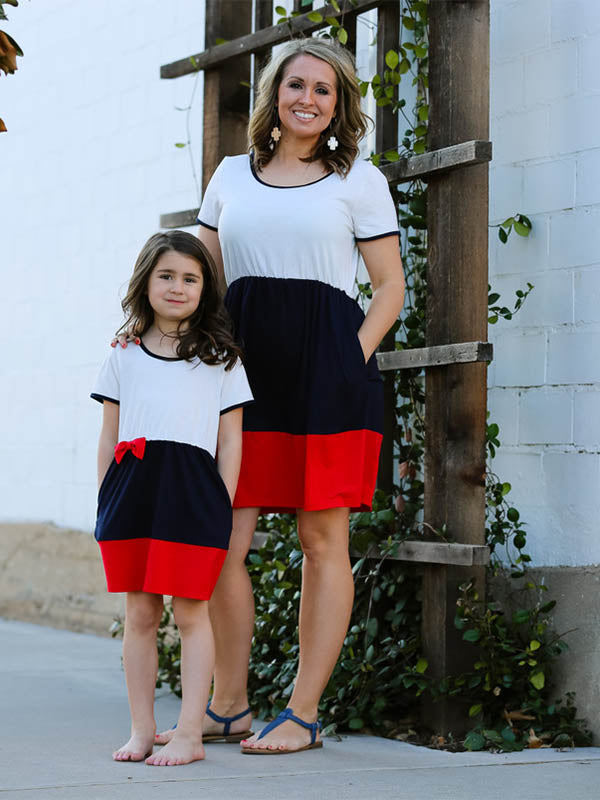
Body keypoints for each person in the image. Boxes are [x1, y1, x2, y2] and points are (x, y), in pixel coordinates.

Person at [152, 37, 405, 755]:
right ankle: (228, 703)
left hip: (327, 376)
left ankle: (301, 712)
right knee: (222, 540)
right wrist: (159, 345)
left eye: (323, 90)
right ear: (275, 93)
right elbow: (203, 279)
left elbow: (390, 287)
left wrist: (346, 359)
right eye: (296, 84)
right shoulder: (230, 175)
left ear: (340, 105)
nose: (308, 99)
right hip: (240, 377)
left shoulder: (360, 181)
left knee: (322, 542)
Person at [92, 231, 253, 766]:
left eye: (190, 278)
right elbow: (109, 434)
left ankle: (189, 733)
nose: (178, 287)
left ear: (205, 289)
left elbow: (231, 440)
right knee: (140, 612)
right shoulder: (122, 354)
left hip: (193, 496)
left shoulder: (223, 359)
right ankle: (142, 730)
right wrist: (104, 504)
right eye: (166, 276)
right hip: (133, 493)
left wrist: (220, 504)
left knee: (190, 613)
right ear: (146, 282)